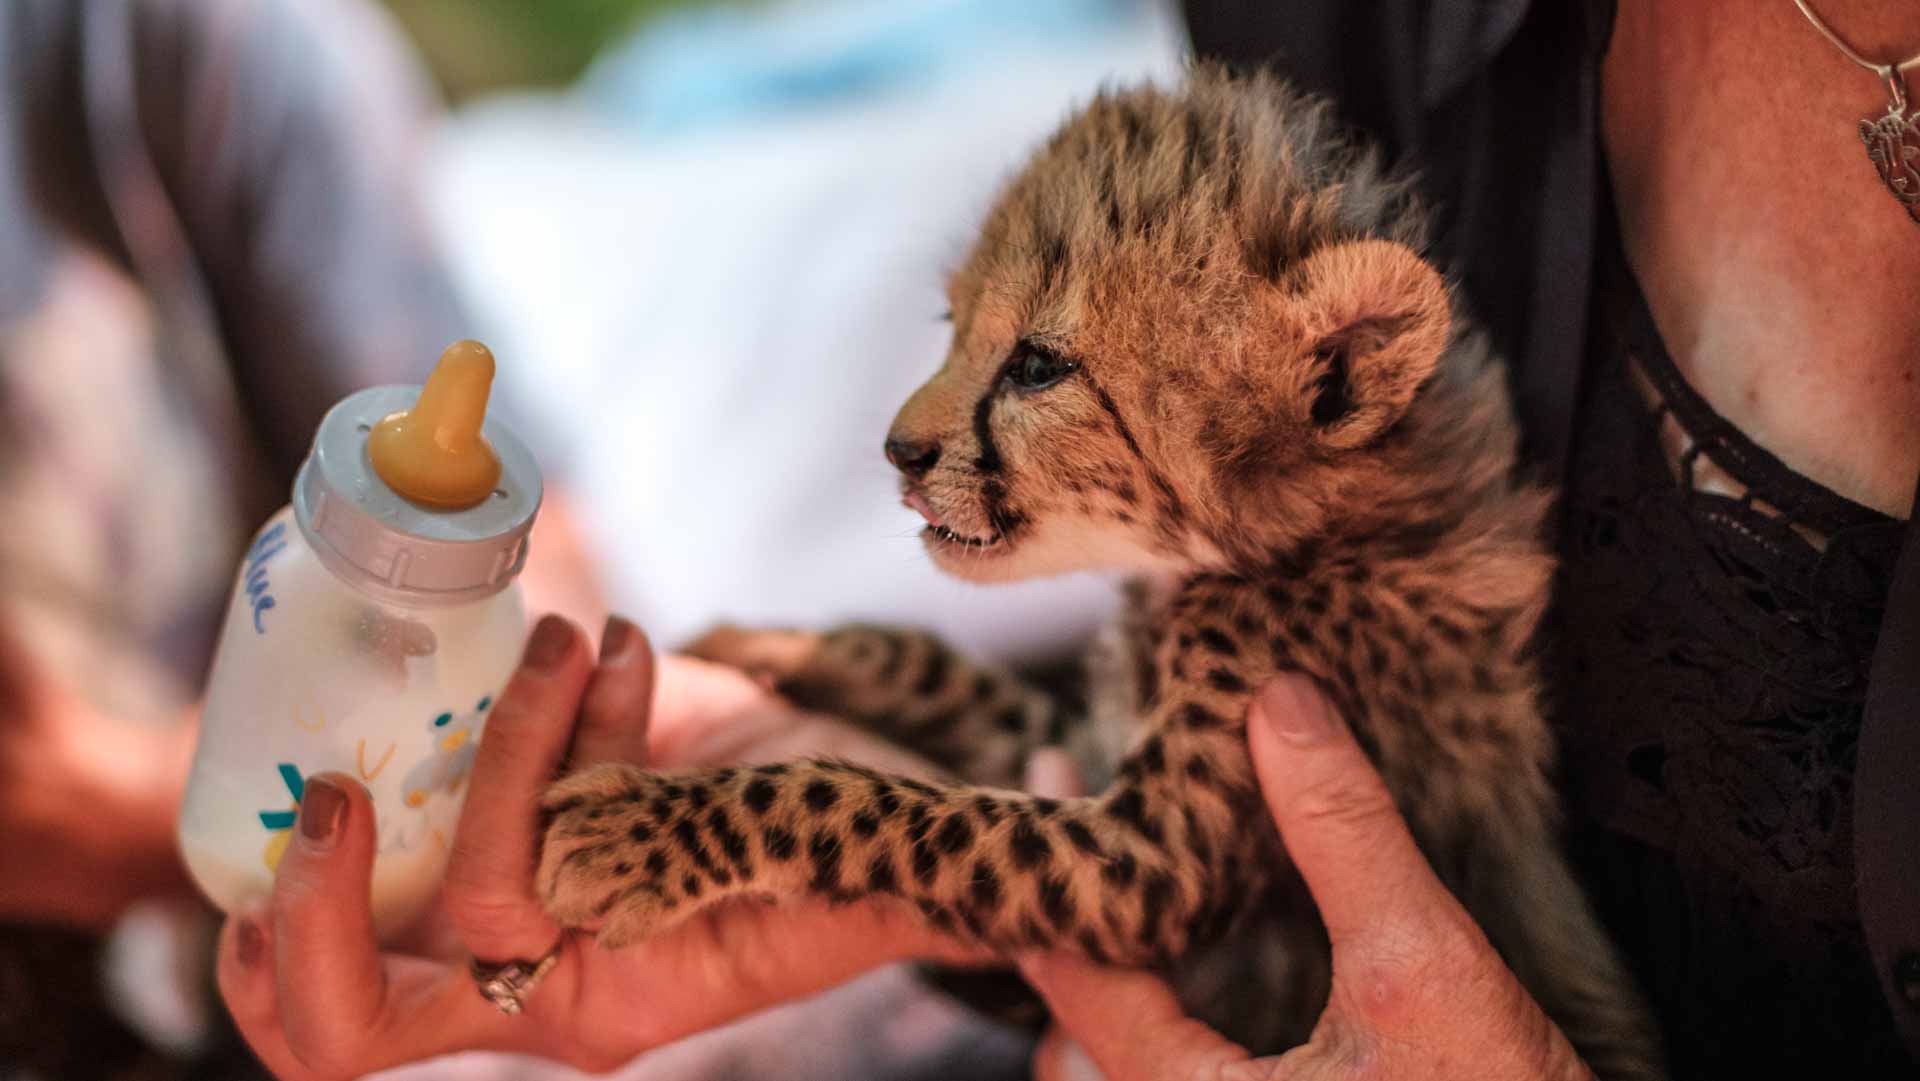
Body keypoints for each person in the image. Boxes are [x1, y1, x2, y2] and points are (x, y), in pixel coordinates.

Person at [221, 1, 1920, 1078]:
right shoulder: (1263, 575)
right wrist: (834, 719)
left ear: (1329, 386)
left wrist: (745, 821)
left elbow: (1131, 875)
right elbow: (1136, 831)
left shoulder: (1303, 616)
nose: (915, 424)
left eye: (1027, 370)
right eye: (971, 338)